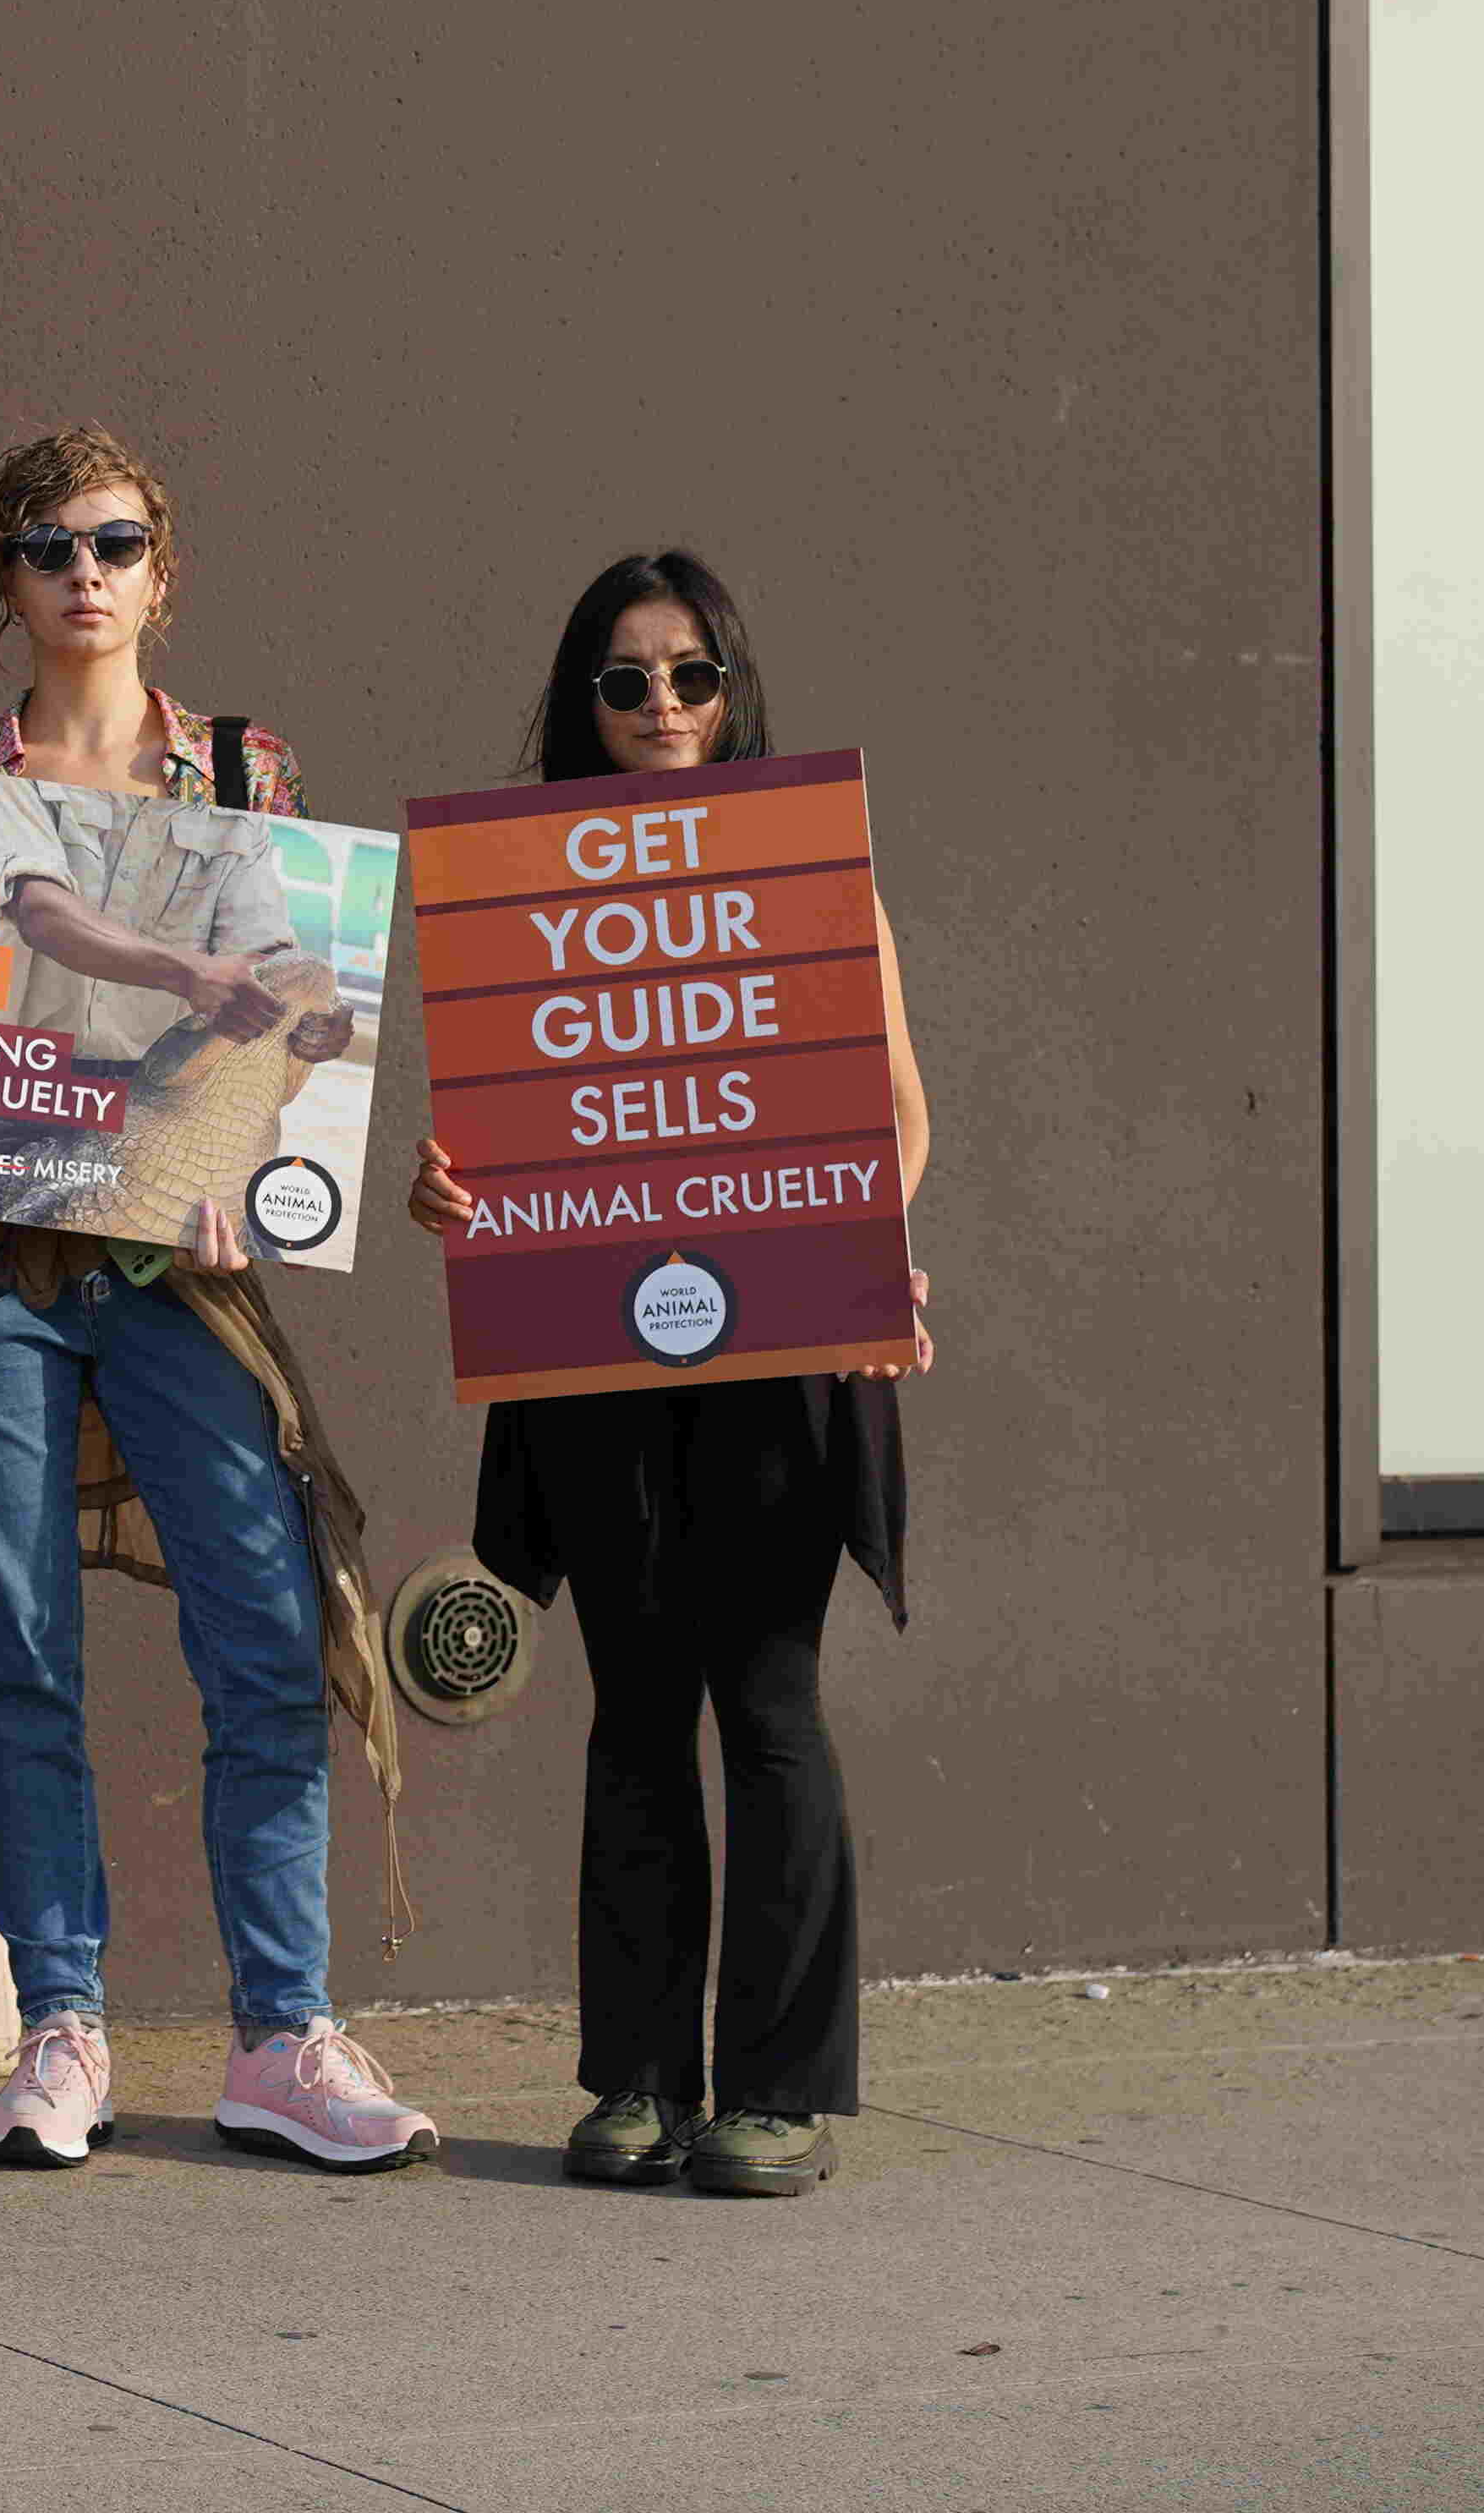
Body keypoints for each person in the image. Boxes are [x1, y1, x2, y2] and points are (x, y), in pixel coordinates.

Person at [0, 427, 435, 2177]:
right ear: (3, 579)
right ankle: (59, 2020)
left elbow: (302, 982)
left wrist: (275, 1097)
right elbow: (27, 921)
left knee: (267, 1624)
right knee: (16, 1648)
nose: (86, 570)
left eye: (118, 540)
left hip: (174, 1250)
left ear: (163, 568)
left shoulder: (242, 765)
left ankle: (282, 2029)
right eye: (50, 544)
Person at [407, 550, 932, 2200]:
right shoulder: (520, 884)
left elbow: (900, 1111)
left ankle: (776, 2090)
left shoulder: (806, 862)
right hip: (593, 1355)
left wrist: (858, 1249)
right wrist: (451, 1191)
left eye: (689, 673)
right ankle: (638, 2072)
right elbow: (512, 1132)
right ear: (582, 699)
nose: (660, 706)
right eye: (624, 679)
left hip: (780, 1340)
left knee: (766, 1706)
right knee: (635, 1714)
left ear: (732, 685)